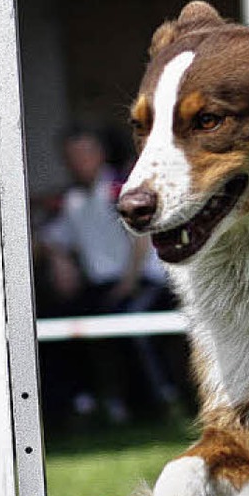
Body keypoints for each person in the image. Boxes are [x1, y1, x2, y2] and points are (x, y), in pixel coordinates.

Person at [41, 125, 177, 423]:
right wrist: (59, 259)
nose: (79, 161)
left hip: (143, 281)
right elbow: (51, 238)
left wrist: (128, 282)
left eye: (85, 153)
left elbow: (143, 238)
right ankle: (81, 404)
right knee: (52, 326)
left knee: (131, 323)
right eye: (72, 156)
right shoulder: (72, 200)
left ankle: (161, 400)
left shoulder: (120, 187)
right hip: (101, 286)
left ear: (100, 154)